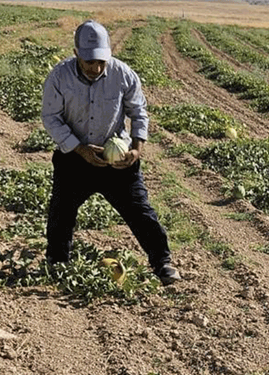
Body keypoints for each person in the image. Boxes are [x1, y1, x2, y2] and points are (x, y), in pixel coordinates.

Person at [41, 20, 181, 286]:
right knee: (61, 212)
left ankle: (162, 263)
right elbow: (51, 118)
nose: (96, 68)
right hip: (74, 159)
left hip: (116, 161)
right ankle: (57, 264)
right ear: (76, 53)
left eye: (101, 62)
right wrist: (79, 148)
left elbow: (138, 113)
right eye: (89, 62)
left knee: (140, 211)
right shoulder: (59, 77)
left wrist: (137, 149)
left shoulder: (124, 74)